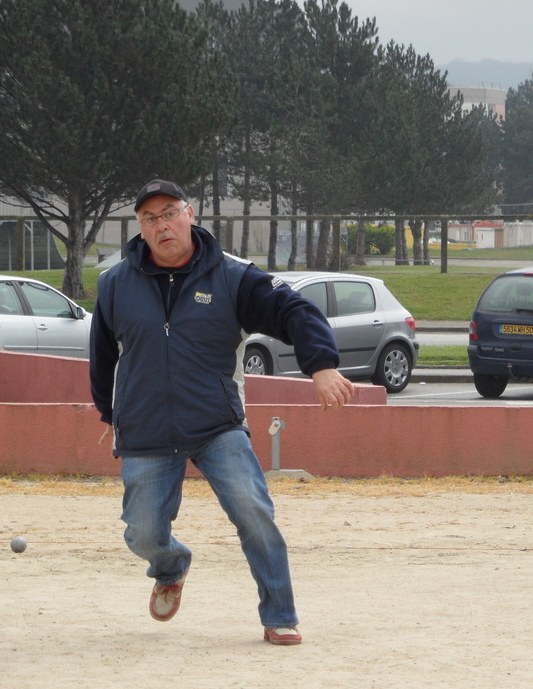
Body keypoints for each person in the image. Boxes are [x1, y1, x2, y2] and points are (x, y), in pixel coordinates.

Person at [90, 179, 356, 644]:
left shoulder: (232, 275)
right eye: (150, 218)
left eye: (169, 212)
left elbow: (294, 309)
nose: (162, 225)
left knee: (255, 511)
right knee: (143, 535)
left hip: (216, 423)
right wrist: (110, 413)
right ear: (140, 227)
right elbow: (103, 355)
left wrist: (321, 365)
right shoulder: (115, 283)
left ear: (190, 214)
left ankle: (280, 615)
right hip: (147, 428)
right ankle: (170, 566)